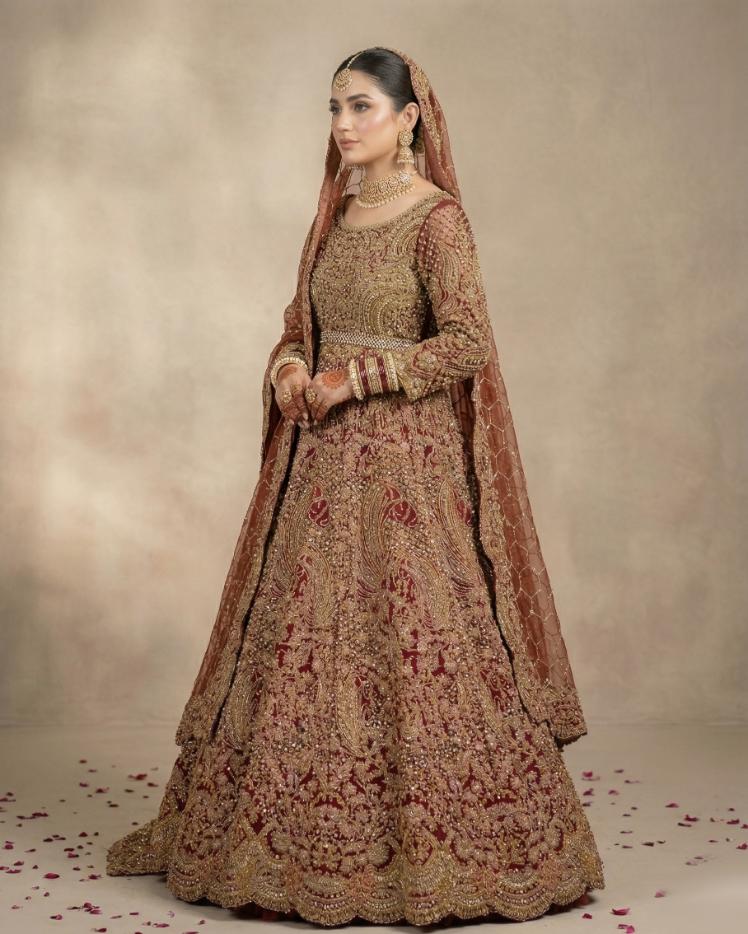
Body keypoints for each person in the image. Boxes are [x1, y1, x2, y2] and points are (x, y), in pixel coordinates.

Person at [106, 46, 605, 926]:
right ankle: (288, 845)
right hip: (321, 473)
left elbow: (467, 342)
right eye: (334, 108)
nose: (342, 125)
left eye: (361, 106)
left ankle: (442, 850)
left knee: (419, 646)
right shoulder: (333, 214)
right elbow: (298, 323)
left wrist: (361, 379)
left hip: (408, 477)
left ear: (409, 118)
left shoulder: (437, 220)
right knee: (303, 649)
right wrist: (292, 368)